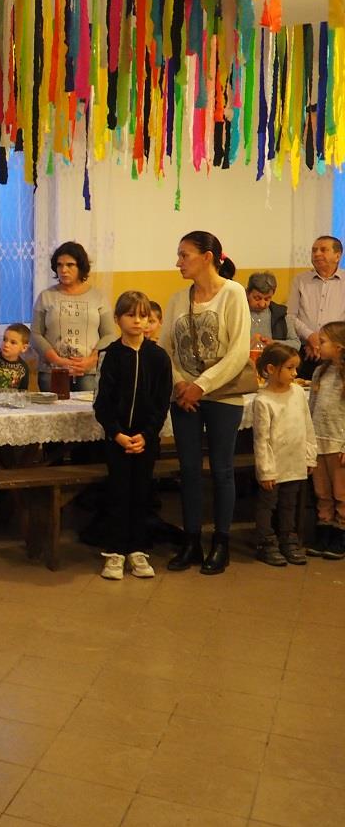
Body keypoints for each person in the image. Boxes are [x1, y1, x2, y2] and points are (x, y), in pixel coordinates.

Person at [160, 231, 252, 576]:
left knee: (222, 469)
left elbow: (238, 351)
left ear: (208, 257)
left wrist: (202, 385)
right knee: (188, 470)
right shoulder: (176, 300)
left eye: (184, 255)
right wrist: (181, 384)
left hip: (223, 395)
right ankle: (192, 540)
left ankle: (221, 543)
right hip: (185, 396)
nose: (178, 262)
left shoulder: (233, 293)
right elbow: (166, 349)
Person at [93, 291, 172, 581]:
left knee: (141, 493)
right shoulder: (111, 356)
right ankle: (115, 552)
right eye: (131, 315)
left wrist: (146, 435)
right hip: (117, 441)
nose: (138, 321)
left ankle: (138, 550)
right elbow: (102, 403)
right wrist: (117, 433)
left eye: (143, 316)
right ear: (117, 319)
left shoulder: (159, 357)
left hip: (145, 441)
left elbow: (161, 403)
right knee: (118, 493)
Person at [251, 343, 316, 567]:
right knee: (268, 505)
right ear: (271, 369)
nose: (295, 373)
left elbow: (307, 424)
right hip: (274, 464)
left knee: (289, 503)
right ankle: (266, 542)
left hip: (294, 461)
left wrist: (309, 455)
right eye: (290, 368)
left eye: (295, 368)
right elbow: (261, 440)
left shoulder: (297, 392)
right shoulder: (263, 401)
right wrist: (266, 471)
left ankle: (288, 539)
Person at [31, 242, 118, 393]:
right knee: (53, 408)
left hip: (88, 372)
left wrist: (91, 360)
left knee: (87, 408)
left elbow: (109, 335)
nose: (63, 270)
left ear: (81, 267)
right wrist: (58, 361)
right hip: (53, 372)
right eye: (59, 265)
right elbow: (35, 334)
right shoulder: (46, 296)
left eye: (70, 265)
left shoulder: (98, 297)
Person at [308, 321, 345, 560]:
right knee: (322, 492)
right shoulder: (319, 372)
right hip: (318, 442)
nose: (317, 345)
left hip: (338, 444)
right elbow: (311, 408)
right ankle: (324, 529)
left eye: (322, 342)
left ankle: (341, 532)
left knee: (341, 493)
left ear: (339, 347)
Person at [287, 235, 345, 379]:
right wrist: (310, 336)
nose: (317, 254)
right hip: (306, 351)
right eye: (314, 250)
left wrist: (326, 343)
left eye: (323, 250)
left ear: (337, 256)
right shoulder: (300, 280)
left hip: (338, 353)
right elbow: (290, 315)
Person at [245, 272, 300, 352]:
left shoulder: (280, 314)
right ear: (247, 293)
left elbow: (296, 344)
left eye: (267, 299)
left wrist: (274, 343)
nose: (262, 304)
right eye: (257, 298)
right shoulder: (238, 313)